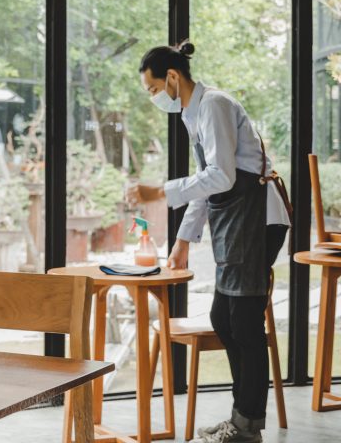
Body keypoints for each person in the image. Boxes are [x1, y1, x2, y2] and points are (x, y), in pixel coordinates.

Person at [127, 42, 291, 443]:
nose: (153, 98)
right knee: (225, 319)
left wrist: (159, 192)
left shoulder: (214, 104)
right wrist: (183, 239)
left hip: (257, 219)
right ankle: (241, 419)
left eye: (152, 90)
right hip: (236, 220)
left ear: (172, 77)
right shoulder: (192, 113)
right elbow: (209, 181)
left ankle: (247, 426)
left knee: (244, 323)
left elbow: (222, 177)